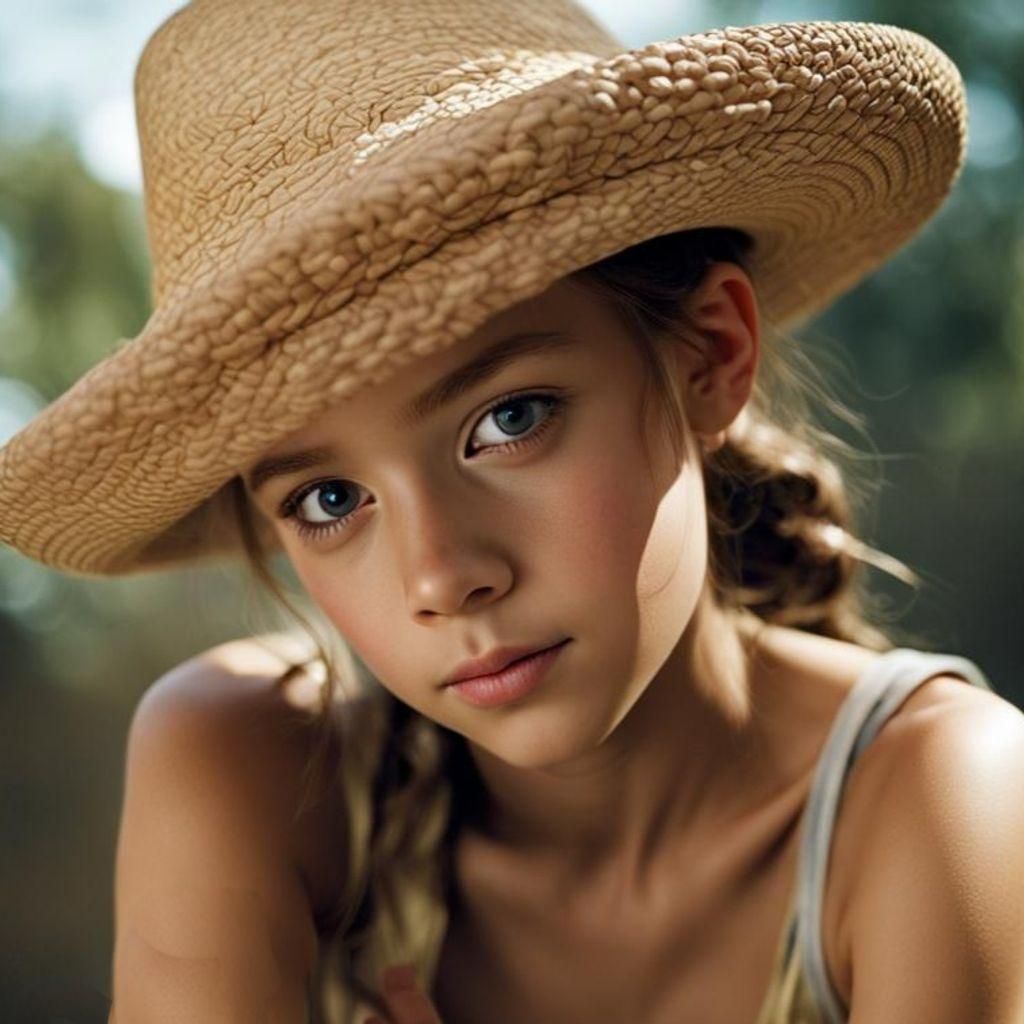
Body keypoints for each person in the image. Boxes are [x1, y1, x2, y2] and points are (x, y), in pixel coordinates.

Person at [1, 1, 1021, 1022]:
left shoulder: (941, 796)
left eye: (509, 419)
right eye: (329, 498)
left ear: (709, 354)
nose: (442, 576)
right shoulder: (258, 770)